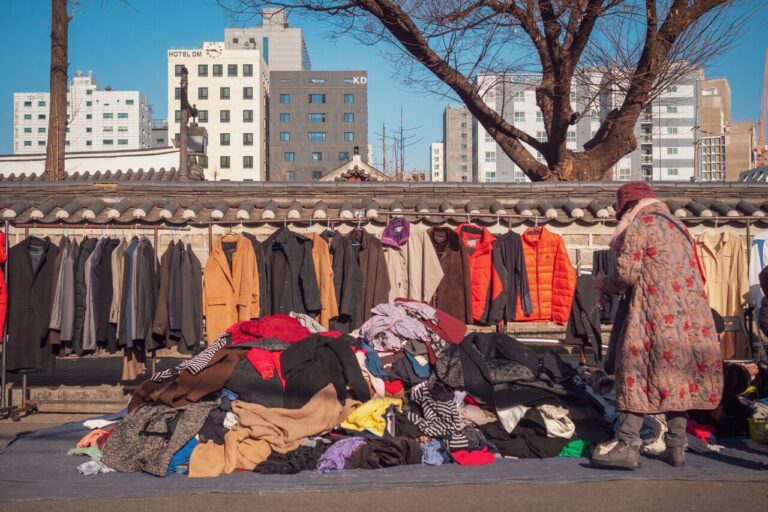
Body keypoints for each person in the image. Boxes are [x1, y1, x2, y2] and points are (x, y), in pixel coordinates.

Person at [590, 182, 723, 469]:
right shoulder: (678, 226)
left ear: (626, 206)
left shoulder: (641, 223)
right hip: (689, 315)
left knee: (634, 372)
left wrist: (603, 283)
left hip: (653, 314)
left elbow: (626, 274)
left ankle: (628, 445)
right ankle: (676, 447)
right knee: (676, 377)